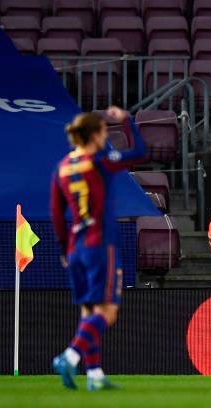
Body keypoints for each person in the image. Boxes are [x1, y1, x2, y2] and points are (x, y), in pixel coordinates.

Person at [50, 106, 146, 391]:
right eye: (104, 131)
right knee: (107, 313)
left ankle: (94, 375)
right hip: (100, 244)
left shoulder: (63, 166)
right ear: (94, 135)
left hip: (75, 247)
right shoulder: (100, 161)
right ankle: (69, 356)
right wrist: (127, 121)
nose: (107, 136)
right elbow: (139, 153)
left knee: (88, 311)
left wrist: (63, 249)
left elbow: (56, 213)